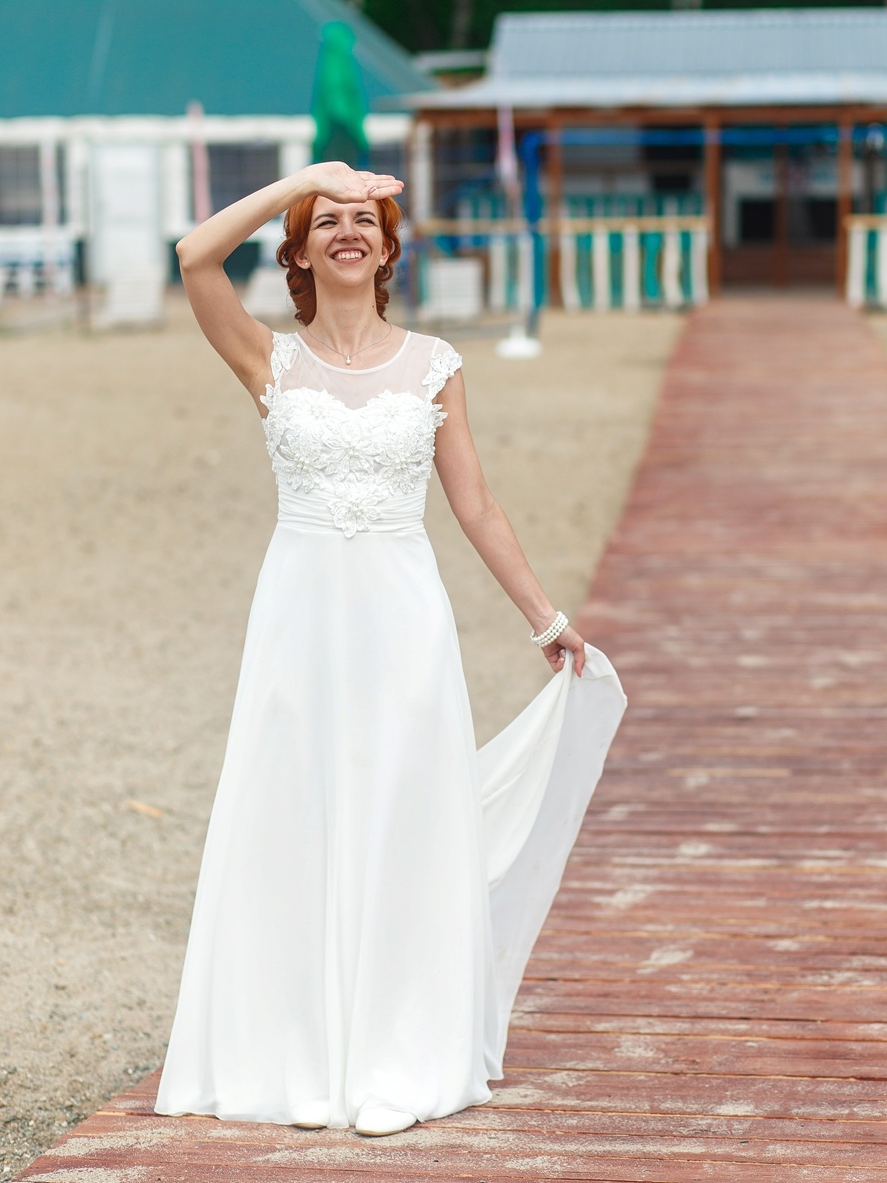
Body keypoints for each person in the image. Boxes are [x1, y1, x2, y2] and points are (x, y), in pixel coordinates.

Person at [154, 161, 625, 1137]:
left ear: (386, 245)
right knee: (297, 811)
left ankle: (397, 1052)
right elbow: (196, 256)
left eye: (363, 219)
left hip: (404, 621)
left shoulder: (436, 365)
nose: (346, 232)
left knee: (402, 814)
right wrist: (303, 175)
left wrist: (547, 621)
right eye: (325, 222)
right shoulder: (266, 360)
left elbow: (475, 506)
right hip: (299, 620)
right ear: (298, 251)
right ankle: (295, 1048)